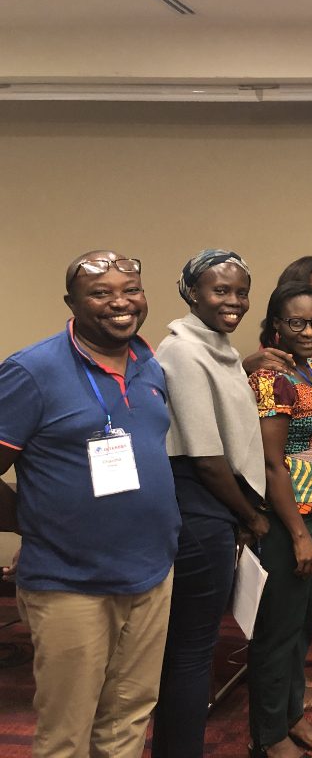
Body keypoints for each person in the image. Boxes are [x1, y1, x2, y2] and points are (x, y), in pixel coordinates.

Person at [0, 251, 180, 757]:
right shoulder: (31, 371)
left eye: (131, 289)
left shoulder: (148, 364)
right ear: (72, 303)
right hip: (70, 583)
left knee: (129, 717)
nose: (121, 302)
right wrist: (30, 523)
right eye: (101, 293)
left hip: (151, 573)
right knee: (67, 733)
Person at [152, 250, 271, 758]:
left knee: (195, 645)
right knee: (192, 650)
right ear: (191, 293)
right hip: (200, 504)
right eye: (220, 290)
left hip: (217, 503)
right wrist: (250, 515)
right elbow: (204, 456)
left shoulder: (216, 347)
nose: (234, 301)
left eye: (241, 292)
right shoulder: (181, 351)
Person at [241, 255, 312, 710]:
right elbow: (271, 464)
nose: (308, 331)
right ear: (276, 327)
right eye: (296, 323)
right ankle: (268, 732)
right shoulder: (272, 378)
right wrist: (300, 535)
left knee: (304, 622)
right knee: (279, 629)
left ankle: (292, 712)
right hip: (288, 518)